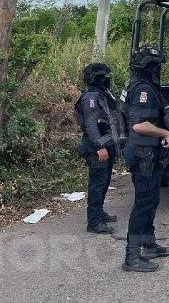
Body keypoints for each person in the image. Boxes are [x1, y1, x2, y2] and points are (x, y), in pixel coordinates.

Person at [122, 46, 169, 273]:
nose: (156, 69)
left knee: (151, 200)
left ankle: (149, 244)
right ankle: (132, 256)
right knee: (143, 204)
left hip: (147, 153)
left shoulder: (137, 84)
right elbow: (139, 125)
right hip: (142, 154)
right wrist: (165, 133)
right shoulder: (142, 89)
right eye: (154, 65)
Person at [74, 63, 120, 234]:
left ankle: (99, 213)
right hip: (96, 147)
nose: (107, 79)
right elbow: (90, 125)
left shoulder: (102, 94)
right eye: (103, 76)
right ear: (96, 78)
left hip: (105, 145)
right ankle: (94, 222)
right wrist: (99, 147)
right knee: (97, 184)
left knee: (104, 182)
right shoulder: (91, 97)